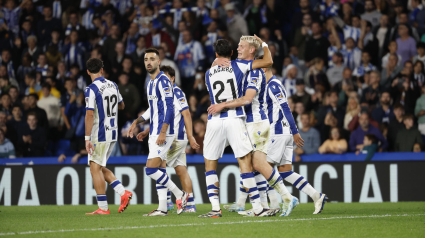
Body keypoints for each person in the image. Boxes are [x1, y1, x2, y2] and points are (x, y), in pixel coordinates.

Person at [202, 38, 285, 218]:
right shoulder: (239, 65)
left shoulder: (208, 73)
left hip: (214, 120)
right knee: (245, 164)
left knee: (210, 166)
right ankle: (257, 207)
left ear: (216, 55)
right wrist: (263, 44)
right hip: (234, 118)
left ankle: (215, 209)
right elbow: (268, 62)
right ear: (231, 53)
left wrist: (215, 62)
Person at [126, 48, 189, 216]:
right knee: (160, 169)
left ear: (159, 61)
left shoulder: (163, 81)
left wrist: (163, 131)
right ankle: (162, 208)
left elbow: (169, 107)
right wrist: (136, 122)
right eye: (146, 59)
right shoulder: (151, 83)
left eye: (152, 59)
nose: (148, 62)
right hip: (154, 131)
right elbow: (152, 109)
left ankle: (180, 194)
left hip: (164, 133)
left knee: (150, 170)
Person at [137, 65, 200, 215]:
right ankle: (189, 205)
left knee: (158, 167)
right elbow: (160, 117)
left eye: (165, 77)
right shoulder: (164, 95)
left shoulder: (176, 92)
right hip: (177, 137)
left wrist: (191, 137)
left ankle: (166, 204)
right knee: (181, 170)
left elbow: (186, 114)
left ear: (172, 78)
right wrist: (147, 130)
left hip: (175, 138)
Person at [84, 58, 132, 215]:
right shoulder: (113, 84)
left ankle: (103, 208)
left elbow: (89, 114)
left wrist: (87, 138)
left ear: (88, 72)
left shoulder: (91, 89)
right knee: (99, 167)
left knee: (94, 168)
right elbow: (122, 105)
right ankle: (122, 192)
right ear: (102, 70)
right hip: (113, 132)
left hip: (100, 133)